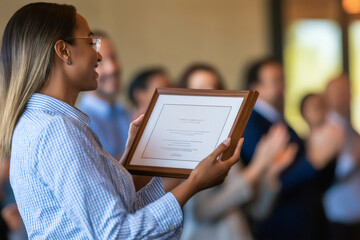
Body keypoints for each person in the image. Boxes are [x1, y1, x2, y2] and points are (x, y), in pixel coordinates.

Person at [0, 3, 243, 239]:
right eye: (91, 41)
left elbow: (104, 212)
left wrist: (130, 161)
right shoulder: (58, 129)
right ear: (63, 51)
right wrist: (194, 184)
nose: (98, 54)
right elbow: (117, 233)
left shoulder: (37, 122)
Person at [178, 63, 297, 240]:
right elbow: (201, 213)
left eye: (216, 87)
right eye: (203, 88)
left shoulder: (227, 140)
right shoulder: (185, 144)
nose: (213, 93)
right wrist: (258, 166)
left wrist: (270, 173)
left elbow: (257, 210)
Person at [241, 57, 343, 240]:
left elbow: (317, 180)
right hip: (282, 225)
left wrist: (329, 156)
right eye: (275, 81)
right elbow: (271, 181)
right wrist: (314, 161)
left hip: (309, 221)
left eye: (283, 80)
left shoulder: (281, 122)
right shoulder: (250, 124)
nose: (282, 87)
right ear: (256, 87)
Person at [77, 31, 130, 159]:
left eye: (113, 58)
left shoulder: (128, 114)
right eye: (99, 61)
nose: (112, 68)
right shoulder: (79, 122)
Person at [322, 75, 360, 240]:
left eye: (347, 91)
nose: (345, 96)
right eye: (338, 92)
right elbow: (326, 174)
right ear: (327, 96)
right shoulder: (326, 129)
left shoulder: (348, 125)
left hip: (354, 210)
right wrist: (354, 157)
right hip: (338, 212)